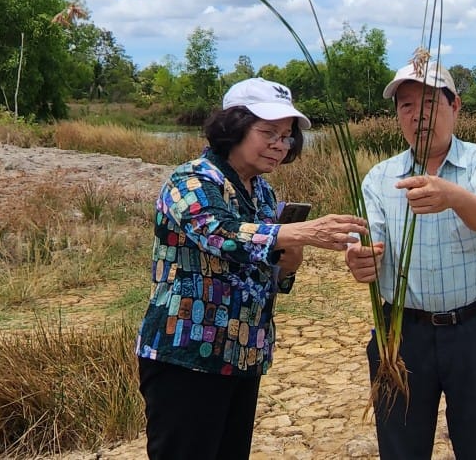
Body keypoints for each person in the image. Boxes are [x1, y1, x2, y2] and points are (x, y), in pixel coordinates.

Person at [136, 77, 369, 459]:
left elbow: (268, 270)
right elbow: (221, 234)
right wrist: (301, 231)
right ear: (234, 127)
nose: (281, 144)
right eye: (269, 133)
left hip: (242, 356)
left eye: (287, 136)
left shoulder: (262, 191)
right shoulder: (191, 180)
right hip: (188, 357)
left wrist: (290, 258)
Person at [344, 62, 476, 459]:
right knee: (401, 448)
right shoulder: (379, 178)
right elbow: (369, 244)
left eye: (429, 103)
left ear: (456, 106)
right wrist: (360, 260)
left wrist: (451, 196)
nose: (417, 115)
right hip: (401, 335)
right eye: (405, 106)